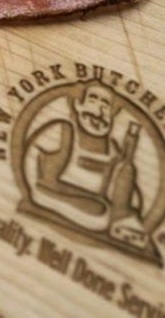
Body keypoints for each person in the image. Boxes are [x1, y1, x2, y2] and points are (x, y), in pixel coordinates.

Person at [23, 81, 146, 245]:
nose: (98, 111)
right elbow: (31, 158)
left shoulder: (114, 150)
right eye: (93, 101)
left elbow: (131, 198)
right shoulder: (63, 130)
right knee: (101, 214)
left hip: (96, 206)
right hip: (52, 195)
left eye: (105, 106)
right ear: (78, 105)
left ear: (111, 116)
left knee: (104, 210)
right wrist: (38, 188)